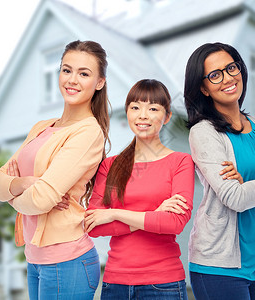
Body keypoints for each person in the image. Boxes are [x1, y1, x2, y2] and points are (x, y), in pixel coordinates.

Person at [0, 40, 110, 300]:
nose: (72, 80)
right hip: (34, 260)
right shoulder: (41, 127)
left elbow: (42, 198)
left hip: (67, 262)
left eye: (84, 73)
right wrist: (25, 184)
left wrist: (13, 193)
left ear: (99, 82)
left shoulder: (88, 132)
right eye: (66, 70)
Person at [184, 42, 255, 300]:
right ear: (203, 87)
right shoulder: (204, 132)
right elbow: (235, 199)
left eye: (231, 68)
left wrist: (252, 187)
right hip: (219, 264)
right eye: (215, 75)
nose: (227, 78)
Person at [84, 79, 195, 300]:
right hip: (114, 283)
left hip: (163, 284)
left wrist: (113, 213)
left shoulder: (181, 162)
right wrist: (154, 215)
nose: (142, 115)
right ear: (127, 113)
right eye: (135, 107)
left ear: (167, 116)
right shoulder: (110, 165)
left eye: (153, 108)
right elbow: (93, 226)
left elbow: (174, 222)